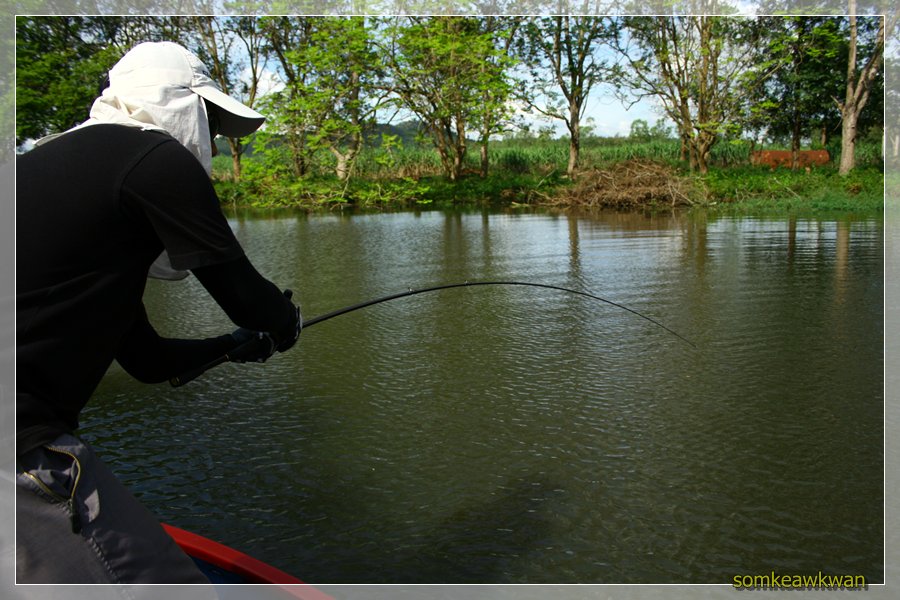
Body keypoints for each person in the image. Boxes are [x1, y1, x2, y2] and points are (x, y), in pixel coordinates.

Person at [16, 41, 301, 584]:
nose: (213, 144)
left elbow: (146, 359)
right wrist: (280, 322)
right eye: (211, 125)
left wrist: (231, 345)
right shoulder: (153, 157)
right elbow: (248, 297)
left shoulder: (53, 175)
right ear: (178, 106)